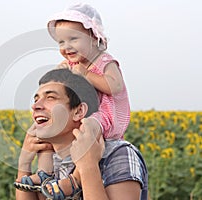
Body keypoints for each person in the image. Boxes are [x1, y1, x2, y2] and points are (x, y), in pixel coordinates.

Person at [22, 3, 132, 197]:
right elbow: (55, 81)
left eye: (73, 39)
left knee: (87, 130)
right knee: (42, 134)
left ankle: (74, 180)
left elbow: (115, 87)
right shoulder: (72, 63)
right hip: (89, 113)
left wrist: (86, 74)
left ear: (93, 37)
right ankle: (44, 173)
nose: (66, 47)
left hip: (106, 115)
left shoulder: (105, 61)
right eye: (61, 42)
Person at [14, 68, 148, 199]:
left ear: (78, 111)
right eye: (36, 99)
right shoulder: (51, 161)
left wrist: (88, 165)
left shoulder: (116, 154)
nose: (36, 106)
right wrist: (24, 163)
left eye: (50, 97)